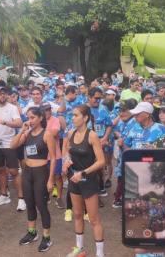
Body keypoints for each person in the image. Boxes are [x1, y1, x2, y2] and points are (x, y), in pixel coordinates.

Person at [62, 105, 105, 257]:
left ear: (85, 118)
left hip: (89, 181)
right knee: (78, 214)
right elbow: (66, 150)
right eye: (72, 115)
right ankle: (80, 249)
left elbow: (101, 161)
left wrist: (83, 172)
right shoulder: (71, 133)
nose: (72, 118)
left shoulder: (92, 135)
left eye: (75, 115)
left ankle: (100, 254)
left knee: (94, 219)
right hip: (74, 180)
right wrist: (66, 160)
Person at [11, 107, 56, 252]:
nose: (29, 120)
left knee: (41, 205)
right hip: (27, 172)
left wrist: (50, 179)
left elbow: (53, 158)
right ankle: (32, 233)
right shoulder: (27, 133)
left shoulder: (47, 134)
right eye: (28, 117)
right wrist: (22, 130)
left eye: (32, 118)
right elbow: (13, 145)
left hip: (41, 172)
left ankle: (47, 237)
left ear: (40, 118)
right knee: (29, 202)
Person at [0, 87, 26, 211]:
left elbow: (19, 123)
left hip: (9, 143)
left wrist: (5, 122)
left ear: (7, 95)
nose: (2, 96)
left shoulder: (12, 108)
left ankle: (21, 198)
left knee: (14, 171)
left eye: (4, 94)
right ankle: (4, 195)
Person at [112, 99, 138, 208]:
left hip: (134, 159)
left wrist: (122, 141)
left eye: (124, 110)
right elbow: (116, 130)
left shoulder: (136, 123)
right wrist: (119, 136)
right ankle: (119, 197)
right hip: (123, 157)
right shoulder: (124, 121)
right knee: (121, 178)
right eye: (120, 111)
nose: (121, 113)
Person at [88, 87, 112, 196]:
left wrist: (105, 137)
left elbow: (109, 125)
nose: (97, 101)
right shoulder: (84, 109)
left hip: (102, 141)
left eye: (99, 98)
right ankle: (92, 188)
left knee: (101, 164)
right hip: (88, 142)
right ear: (89, 97)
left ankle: (101, 186)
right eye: (95, 98)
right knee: (90, 164)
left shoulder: (104, 109)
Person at [43, 103, 65, 209]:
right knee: (43, 177)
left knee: (57, 176)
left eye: (49, 109)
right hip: (42, 155)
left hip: (55, 154)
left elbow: (55, 132)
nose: (47, 112)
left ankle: (59, 198)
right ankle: (45, 196)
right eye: (45, 110)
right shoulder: (38, 120)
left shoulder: (55, 120)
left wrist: (42, 132)